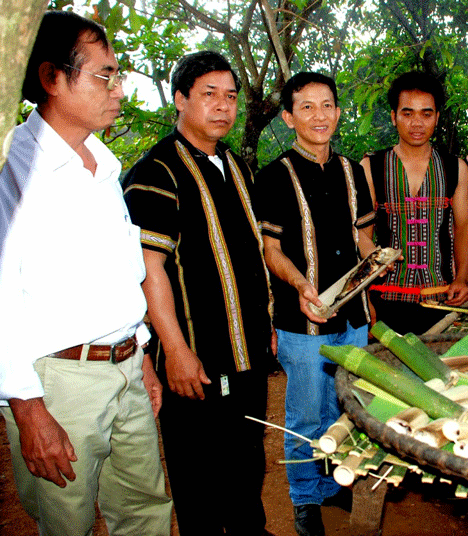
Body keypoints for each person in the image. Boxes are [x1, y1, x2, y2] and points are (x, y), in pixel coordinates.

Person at [0, 11, 172, 536]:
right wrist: (27, 407)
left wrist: (138, 349)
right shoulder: (15, 167)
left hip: (125, 367)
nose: (118, 90)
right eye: (104, 75)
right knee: (66, 521)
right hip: (59, 382)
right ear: (53, 78)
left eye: (117, 76)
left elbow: (121, 269)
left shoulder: (102, 162)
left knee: (146, 511)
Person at [123, 51, 273, 536]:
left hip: (246, 348)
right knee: (199, 470)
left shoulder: (236, 166)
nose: (223, 107)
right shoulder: (156, 172)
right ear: (181, 99)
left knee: (248, 456)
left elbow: (249, 254)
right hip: (197, 357)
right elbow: (149, 268)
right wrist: (176, 350)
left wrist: (265, 323)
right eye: (209, 95)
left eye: (230, 97)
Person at [254, 72, 377, 536]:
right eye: (306, 107)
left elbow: (363, 237)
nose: (319, 115)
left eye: (326, 105)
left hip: (354, 315)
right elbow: (272, 250)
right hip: (300, 318)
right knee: (306, 412)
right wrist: (302, 285)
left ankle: (331, 484)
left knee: (344, 408)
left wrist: (378, 262)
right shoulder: (273, 176)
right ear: (288, 117)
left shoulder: (352, 171)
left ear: (339, 112)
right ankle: (304, 498)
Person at [362, 71, 468, 334]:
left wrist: (461, 277)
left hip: (439, 297)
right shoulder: (372, 167)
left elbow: (465, 226)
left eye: (426, 114)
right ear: (393, 117)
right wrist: (365, 296)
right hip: (384, 298)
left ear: (436, 117)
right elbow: (362, 235)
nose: (417, 123)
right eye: (407, 113)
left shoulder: (454, 167)